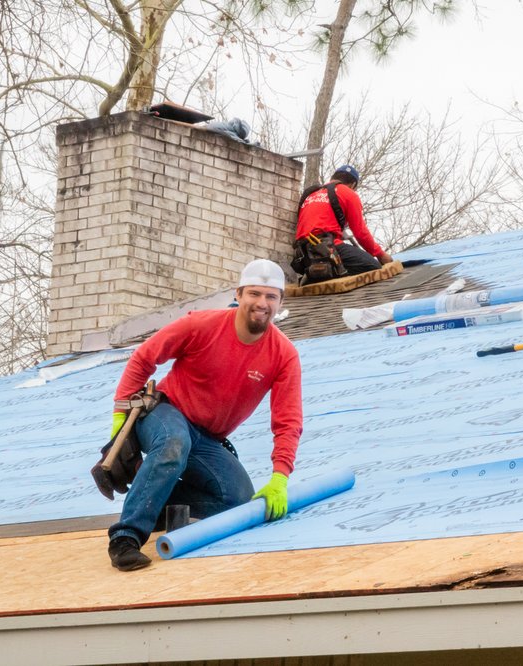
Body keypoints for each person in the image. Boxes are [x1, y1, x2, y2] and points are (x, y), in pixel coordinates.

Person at [106, 259, 303, 571]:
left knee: (236, 500)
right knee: (174, 443)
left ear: (280, 302)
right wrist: (120, 421)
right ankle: (126, 536)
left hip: (207, 437)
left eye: (270, 296)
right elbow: (144, 357)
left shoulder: (284, 355)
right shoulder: (201, 325)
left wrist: (280, 477)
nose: (261, 303)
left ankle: (156, 504)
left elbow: (288, 420)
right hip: (165, 413)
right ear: (238, 293)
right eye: (254, 294)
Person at [294, 165, 394, 281]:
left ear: (333, 178)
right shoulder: (348, 194)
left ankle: (316, 273)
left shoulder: (311, 194)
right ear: (353, 185)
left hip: (302, 254)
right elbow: (360, 232)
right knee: (373, 268)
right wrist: (380, 255)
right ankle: (328, 273)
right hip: (326, 248)